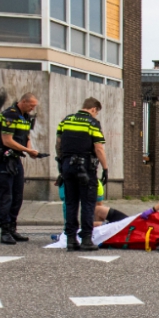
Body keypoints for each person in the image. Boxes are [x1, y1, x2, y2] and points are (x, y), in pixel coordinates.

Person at [57, 97, 109, 251]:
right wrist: (105, 168)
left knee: (71, 203)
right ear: (93, 109)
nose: (96, 115)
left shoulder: (66, 120)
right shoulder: (92, 123)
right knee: (88, 203)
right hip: (85, 167)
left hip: (67, 166)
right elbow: (98, 148)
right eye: (96, 112)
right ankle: (86, 239)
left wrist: (61, 164)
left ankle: (71, 239)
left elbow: (58, 143)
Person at [0, 93, 41, 245]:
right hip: (4, 159)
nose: (33, 108)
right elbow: (7, 141)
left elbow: (26, 136)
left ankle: (13, 227)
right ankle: (5, 230)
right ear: (23, 101)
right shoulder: (9, 115)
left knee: (18, 195)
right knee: (6, 195)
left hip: (15, 159)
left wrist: (30, 149)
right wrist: (27, 151)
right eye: (31, 105)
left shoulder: (25, 116)